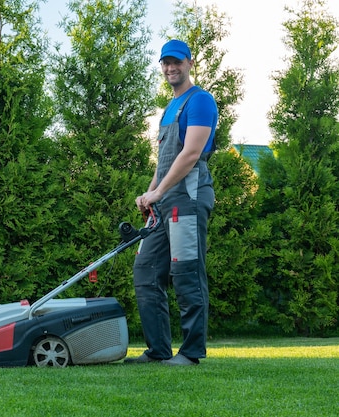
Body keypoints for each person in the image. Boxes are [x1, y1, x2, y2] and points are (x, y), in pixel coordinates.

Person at [125, 39, 218, 366]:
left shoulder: (200, 101)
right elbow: (164, 162)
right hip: (164, 200)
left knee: (186, 273)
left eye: (176, 61)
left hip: (188, 198)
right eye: (165, 62)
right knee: (146, 270)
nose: (170, 68)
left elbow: (191, 153)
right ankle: (158, 350)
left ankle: (191, 352)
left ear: (190, 63)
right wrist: (149, 194)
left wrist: (160, 192)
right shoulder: (169, 109)